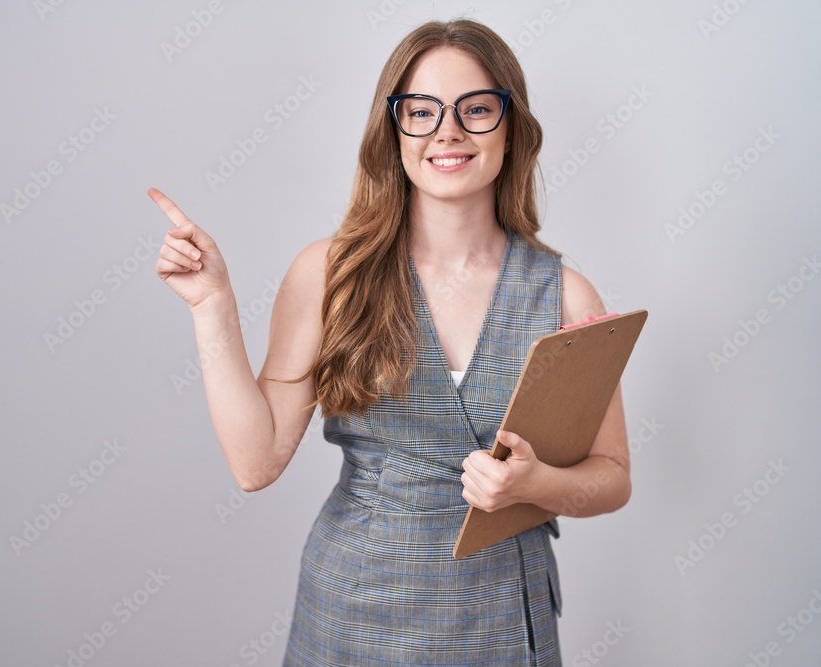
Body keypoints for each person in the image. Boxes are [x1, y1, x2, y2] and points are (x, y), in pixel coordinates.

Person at [151, 18, 630, 667]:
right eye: (422, 111)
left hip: (502, 620)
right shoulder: (330, 274)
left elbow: (612, 478)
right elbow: (255, 462)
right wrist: (213, 307)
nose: (448, 132)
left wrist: (533, 482)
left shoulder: (567, 294)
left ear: (511, 126)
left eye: (476, 109)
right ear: (393, 129)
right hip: (356, 610)